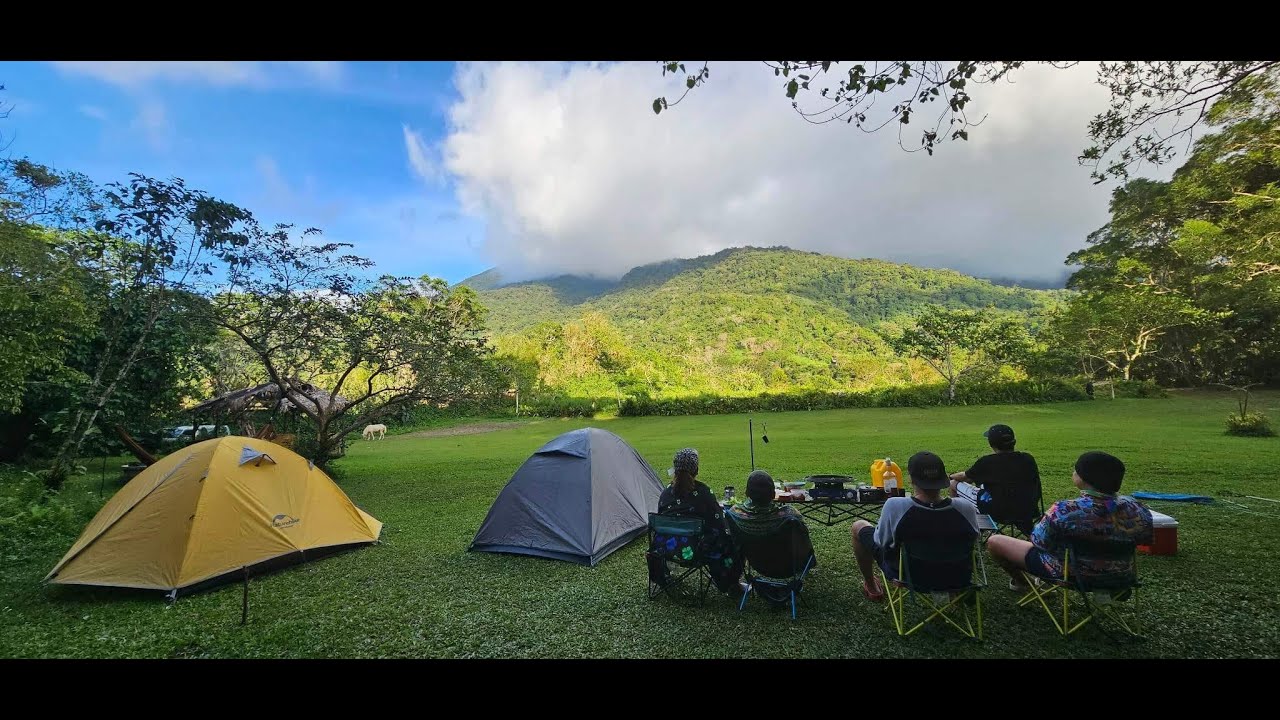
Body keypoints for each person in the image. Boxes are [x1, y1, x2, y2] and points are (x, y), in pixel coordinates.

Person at [986, 451, 1153, 592]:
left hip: (1071, 575)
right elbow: (1144, 538)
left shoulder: (1065, 510)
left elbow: (1039, 541)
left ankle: (1023, 583)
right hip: (1121, 577)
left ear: (1084, 478)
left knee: (995, 541)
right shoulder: (1137, 508)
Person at [851, 451, 980, 601]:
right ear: (943, 478)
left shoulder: (896, 506)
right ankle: (953, 591)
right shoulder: (966, 508)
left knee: (858, 526)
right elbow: (974, 540)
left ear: (911, 479)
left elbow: (881, 542)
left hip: (908, 577)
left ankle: (872, 586)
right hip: (958, 577)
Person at [653, 448, 745, 595]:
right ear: (696, 469)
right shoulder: (703, 493)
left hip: (666, 549)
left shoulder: (665, 493)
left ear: (675, 468)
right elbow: (719, 525)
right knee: (733, 538)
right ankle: (731, 583)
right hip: (696, 551)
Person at [948, 424, 1043, 535]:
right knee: (990, 487)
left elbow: (966, 478)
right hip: (1028, 509)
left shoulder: (987, 462)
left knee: (953, 484)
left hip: (998, 512)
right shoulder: (1028, 458)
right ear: (1014, 441)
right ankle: (1027, 530)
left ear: (991, 444)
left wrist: (951, 476)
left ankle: (961, 525)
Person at [727, 470, 816, 568]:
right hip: (788, 567)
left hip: (758, 565)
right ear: (773, 494)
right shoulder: (790, 515)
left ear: (747, 493)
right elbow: (805, 541)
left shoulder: (735, 513)